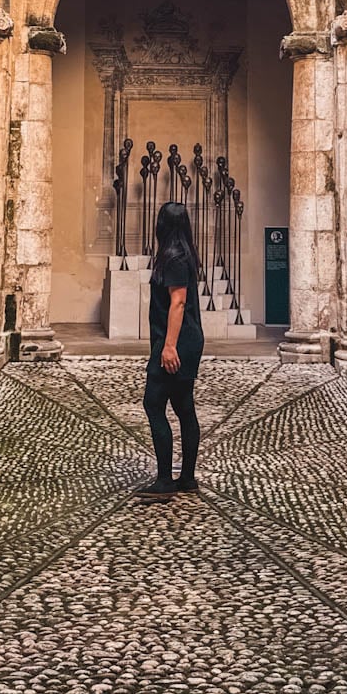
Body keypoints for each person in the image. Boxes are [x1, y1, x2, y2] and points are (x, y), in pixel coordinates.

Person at [136, 200, 204, 502]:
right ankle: (187, 477)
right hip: (186, 340)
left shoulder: (174, 257)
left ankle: (165, 479)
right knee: (183, 406)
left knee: (153, 403)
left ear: (162, 225)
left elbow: (178, 302)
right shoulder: (182, 254)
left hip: (177, 342)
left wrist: (169, 346)